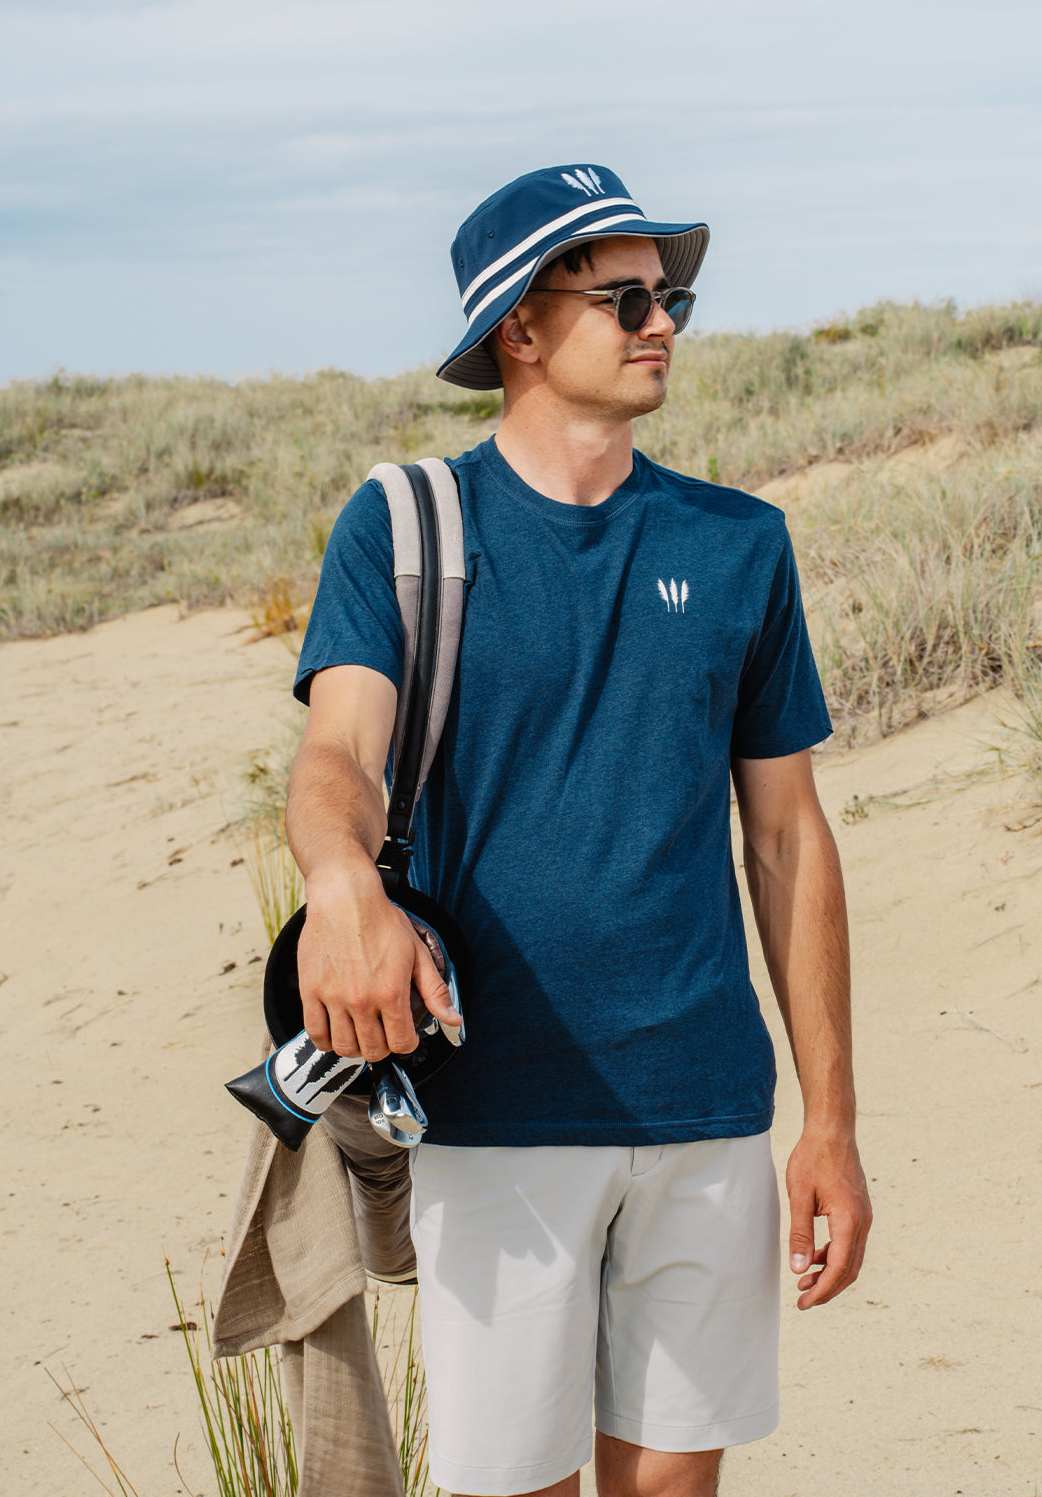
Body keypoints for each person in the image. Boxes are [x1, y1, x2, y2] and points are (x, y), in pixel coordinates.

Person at [287, 164, 872, 1497]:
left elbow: (787, 838)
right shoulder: (406, 527)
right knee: (521, 1485)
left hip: (705, 1100)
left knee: (670, 1487)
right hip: (496, 1099)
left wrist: (828, 1124)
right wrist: (340, 884)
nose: (662, 324)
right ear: (521, 327)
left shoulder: (739, 542)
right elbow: (339, 753)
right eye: (625, 299)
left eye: (671, 299)